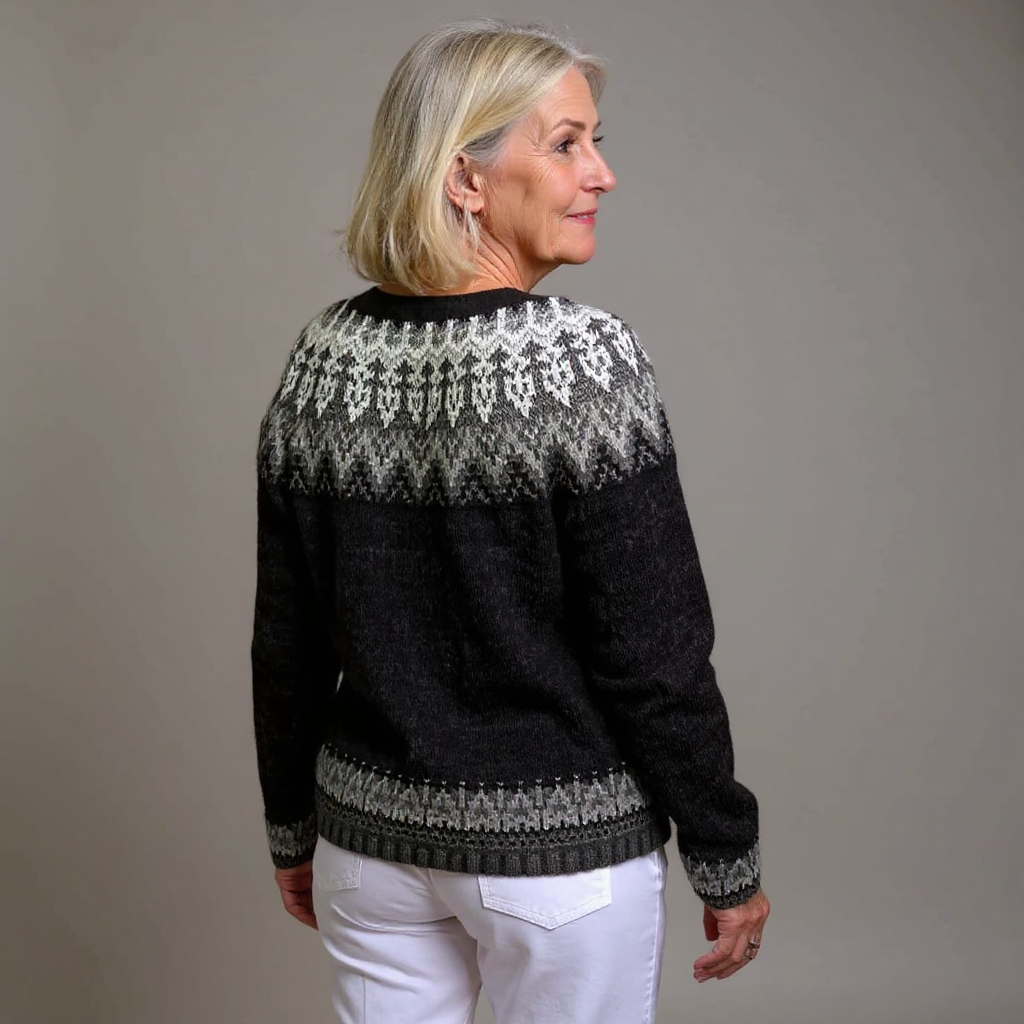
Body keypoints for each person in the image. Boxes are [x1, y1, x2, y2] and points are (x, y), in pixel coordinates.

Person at [251, 17, 769, 1024]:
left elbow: (289, 638)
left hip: (368, 847)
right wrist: (725, 852)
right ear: (465, 179)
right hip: (559, 864)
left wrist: (291, 826)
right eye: (566, 143)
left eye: (595, 142)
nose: (601, 174)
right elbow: (653, 651)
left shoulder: (321, 360)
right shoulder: (584, 364)